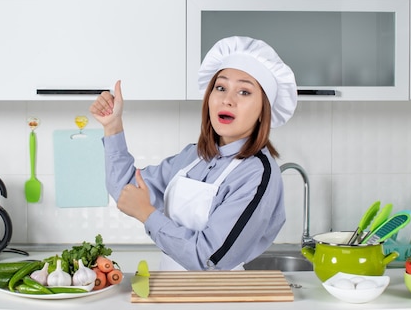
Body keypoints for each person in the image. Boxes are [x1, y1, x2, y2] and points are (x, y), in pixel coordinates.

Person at [89, 36, 298, 270]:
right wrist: (112, 126)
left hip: (217, 300)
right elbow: (126, 190)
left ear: (263, 110)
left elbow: (208, 257)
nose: (227, 100)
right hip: (170, 292)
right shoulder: (194, 157)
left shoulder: (257, 174)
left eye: (244, 92)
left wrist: (148, 215)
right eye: (220, 87)